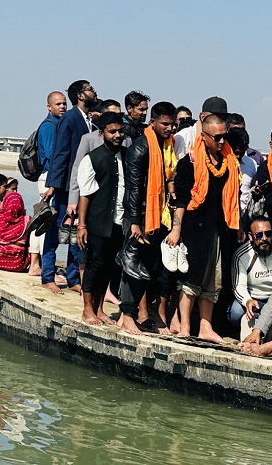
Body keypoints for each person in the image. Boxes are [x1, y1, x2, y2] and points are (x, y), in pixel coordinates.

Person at [166, 113, 240, 342]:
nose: (221, 142)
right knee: (191, 278)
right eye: (216, 137)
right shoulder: (190, 162)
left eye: (224, 137)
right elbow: (180, 200)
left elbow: (232, 199)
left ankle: (205, 328)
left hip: (218, 228)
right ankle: (186, 326)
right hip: (193, 228)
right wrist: (176, 229)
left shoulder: (229, 161)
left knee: (213, 279)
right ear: (204, 135)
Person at [119, 101, 178, 335]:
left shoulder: (167, 147)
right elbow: (133, 188)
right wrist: (135, 222)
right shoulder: (140, 148)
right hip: (139, 217)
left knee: (152, 267)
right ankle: (127, 315)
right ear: (152, 122)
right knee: (131, 266)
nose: (170, 129)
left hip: (157, 216)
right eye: (165, 124)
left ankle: (144, 312)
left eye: (172, 124)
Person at [42, 80, 98, 294]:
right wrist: (54, 186)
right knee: (56, 231)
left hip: (82, 186)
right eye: (90, 88)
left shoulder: (89, 120)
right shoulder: (69, 118)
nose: (94, 90)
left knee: (78, 233)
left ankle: (73, 277)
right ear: (81, 96)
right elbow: (60, 152)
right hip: (66, 186)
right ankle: (48, 276)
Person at [74, 112, 128, 326]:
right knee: (94, 264)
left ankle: (99, 308)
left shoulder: (127, 154)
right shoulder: (92, 158)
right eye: (112, 132)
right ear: (102, 132)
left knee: (108, 266)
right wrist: (82, 224)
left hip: (119, 221)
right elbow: (85, 195)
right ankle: (87, 309)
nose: (117, 135)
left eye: (120, 131)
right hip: (97, 221)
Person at [28, 91, 67, 277]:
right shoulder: (50, 127)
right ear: (49, 107)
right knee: (46, 223)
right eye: (58, 104)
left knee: (43, 221)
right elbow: (53, 157)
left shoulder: (55, 124)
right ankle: (37, 265)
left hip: (48, 178)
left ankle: (36, 264)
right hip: (49, 179)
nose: (62, 107)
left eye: (64, 104)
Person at [229, 217, 272, 339]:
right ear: (251, 236)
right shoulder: (241, 255)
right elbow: (238, 286)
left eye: (268, 234)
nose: (264, 239)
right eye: (258, 235)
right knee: (235, 313)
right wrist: (247, 301)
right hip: (254, 299)